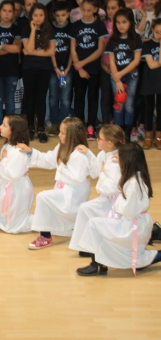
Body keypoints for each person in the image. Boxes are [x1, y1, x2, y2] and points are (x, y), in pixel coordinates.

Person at [75, 143, 157, 276]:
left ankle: (97, 264)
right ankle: (100, 263)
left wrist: (117, 202)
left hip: (131, 226)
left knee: (94, 224)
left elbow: (127, 210)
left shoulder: (133, 184)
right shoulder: (136, 176)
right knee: (100, 226)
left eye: (119, 156)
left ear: (128, 160)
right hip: (136, 223)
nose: (115, 156)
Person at [17, 117, 92, 249]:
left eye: (62, 133)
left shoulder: (79, 154)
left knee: (43, 197)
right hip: (63, 189)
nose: (59, 135)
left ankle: (45, 237)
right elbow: (49, 159)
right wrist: (31, 152)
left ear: (72, 136)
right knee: (49, 202)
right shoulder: (62, 147)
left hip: (74, 194)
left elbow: (78, 177)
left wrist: (61, 166)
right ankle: (71, 227)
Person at [69, 125, 125, 255]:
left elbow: (111, 188)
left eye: (100, 138)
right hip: (106, 198)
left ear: (109, 143)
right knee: (84, 208)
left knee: (88, 210)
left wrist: (102, 174)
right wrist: (88, 154)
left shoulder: (116, 160)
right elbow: (94, 172)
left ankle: (91, 246)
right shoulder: (103, 154)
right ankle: (85, 246)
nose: (97, 140)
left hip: (115, 203)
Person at [70, 0, 109, 140]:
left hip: (93, 69)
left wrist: (82, 63)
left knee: (93, 98)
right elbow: (73, 48)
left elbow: (100, 50)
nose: (85, 13)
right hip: (78, 70)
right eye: (83, 10)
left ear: (95, 10)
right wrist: (77, 66)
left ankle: (91, 126)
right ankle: (79, 127)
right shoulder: (76, 26)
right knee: (79, 98)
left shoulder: (99, 25)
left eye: (88, 10)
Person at [21, 3, 56, 143]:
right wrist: (33, 30)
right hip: (29, 69)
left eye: (41, 15)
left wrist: (32, 52)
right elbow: (28, 48)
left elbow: (51, 51)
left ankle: (41, 128)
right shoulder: (25, 29)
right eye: (35, 15)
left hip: (45, 69)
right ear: (31, 16)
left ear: (45, 16)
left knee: (41, 99)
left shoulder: (49, 29)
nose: (38, 18)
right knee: (30, 99)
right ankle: (30, 127)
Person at [106, 8, 142, 139]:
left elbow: (136, 60)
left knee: (129, 104)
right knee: (118, 105)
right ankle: (118, 132)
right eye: (118, 22)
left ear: (130, 23)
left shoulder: (136, 38)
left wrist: (121, 74)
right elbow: (112, 62)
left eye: (124, 22)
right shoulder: (112, 40)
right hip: (116, 77)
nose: (121, 25)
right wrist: (117, 79)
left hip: (131, 76)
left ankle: (127, 132)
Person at [0, 1, 21, 138]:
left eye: (10, 11)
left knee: (10, 100)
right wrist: (9, 48)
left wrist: (2, 46)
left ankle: (11, 128)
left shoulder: (16, 29)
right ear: (0, 11)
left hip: (12, 71)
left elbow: (17, 49)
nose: (7, 14)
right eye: (5, 10)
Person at [48, 1, 72, 137]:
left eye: (63, 15)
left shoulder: (72, 28)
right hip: (53, 69)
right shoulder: (50, 28)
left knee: (65, 98)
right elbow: (50, 50)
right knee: (52, 98)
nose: (60, 18)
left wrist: (68, 68)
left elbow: (73, 51)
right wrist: (55, 67)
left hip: (67, 70)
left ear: (68, 14)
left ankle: (64, 126)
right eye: (57, 15)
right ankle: (54, 124)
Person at [100, 0, 124, 127]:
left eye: (113, 8)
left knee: (119, 98)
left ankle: (118, 126)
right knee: (106, 97)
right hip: (105, 66)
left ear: (120, 8)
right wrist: (103, 65)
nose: (110, 11)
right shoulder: (102, 25)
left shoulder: (124, 25)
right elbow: (98, 48)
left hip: (121, 68)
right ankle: (105, 125)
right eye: (108, 8)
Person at [140, 18, 161, 149]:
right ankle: (148, 135)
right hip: (149, 80)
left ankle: (158, 135)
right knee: (148, 108)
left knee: (160, 108)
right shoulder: (147, 45)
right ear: (152, 30)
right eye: (158, 32)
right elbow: (152, 65)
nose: (160, 35)